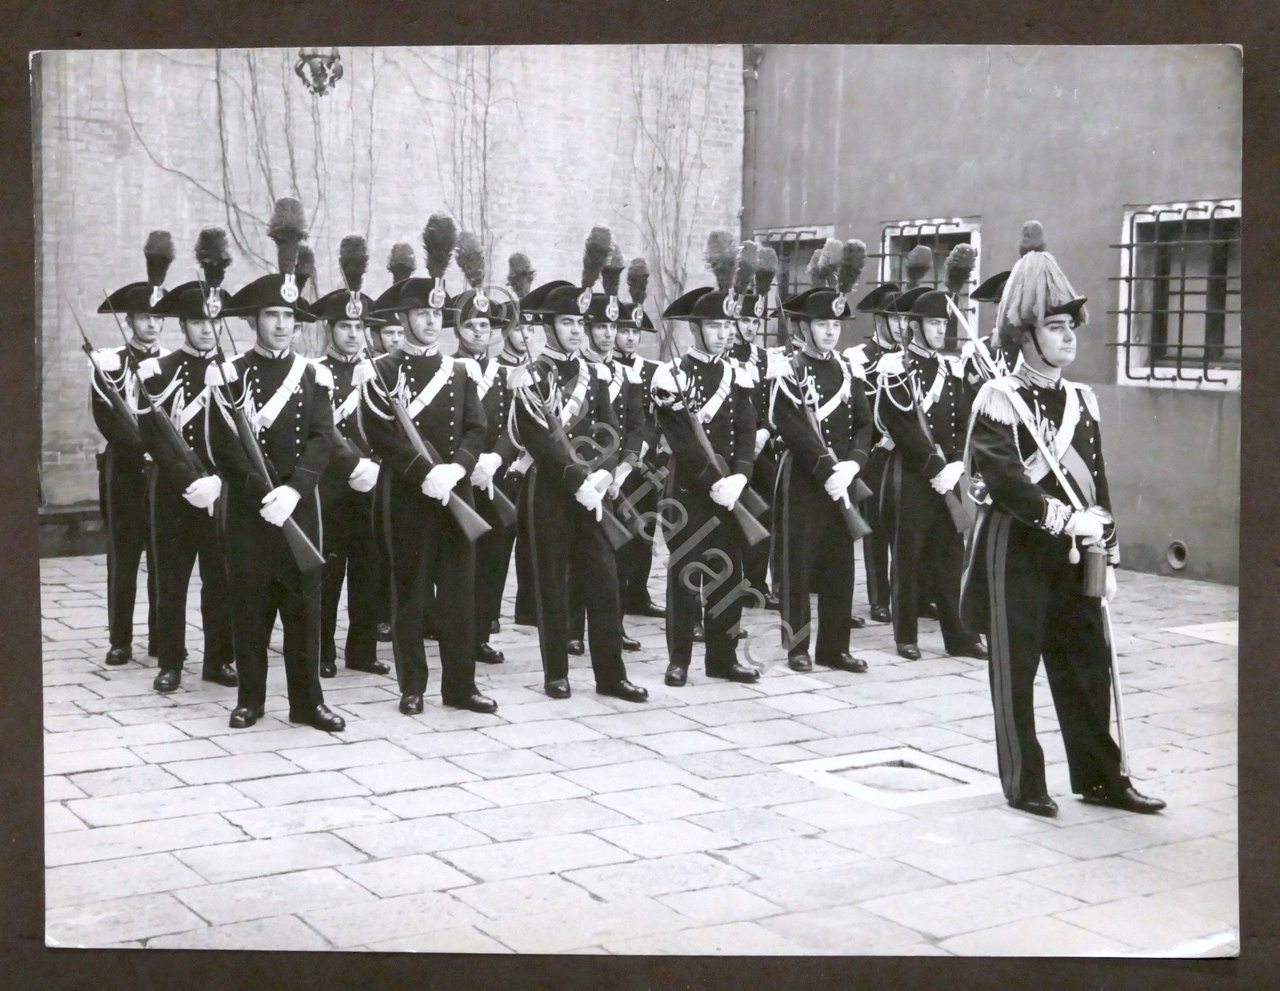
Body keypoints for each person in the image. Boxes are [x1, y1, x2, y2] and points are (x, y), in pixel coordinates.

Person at [962, 221, 1165, 818]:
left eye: (1071, 324)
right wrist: (1060, 519)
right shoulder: (997, 399)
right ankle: (1025, 782)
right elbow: (1004, 482)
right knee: (1017, 668)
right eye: (1055, 326)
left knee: (1086, 665)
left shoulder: (1080, 402)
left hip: (1080, 552)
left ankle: (1101, 777)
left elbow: (1098, 482)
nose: (1069, 336)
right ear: (1026, 338)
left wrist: (1110, 547)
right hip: (1017, 548)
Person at [206, 198, 344, 732]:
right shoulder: (228, 375)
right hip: (248, 512)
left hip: (298, 511)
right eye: (272, 315)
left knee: (305, 613)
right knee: (250, 610)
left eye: (289, 315)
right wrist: (258, 491)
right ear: (255, 321)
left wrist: (295, 489)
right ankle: (251, 700)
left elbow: (322, 439)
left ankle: (307, 704)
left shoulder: (315, 377)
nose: (283, 324)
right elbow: (223, 444)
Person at [361, 213, 498, 717]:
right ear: (403, 319)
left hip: (455, 494)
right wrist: (424, 474)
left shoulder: (459, 371)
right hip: (407, 497)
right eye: (420, 314)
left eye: (436, 314)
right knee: (411, 595)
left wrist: (456, 470)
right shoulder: (381, 372)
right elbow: (377, 434)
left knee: (460, 597)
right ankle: (412, 685)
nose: (429, 322)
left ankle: (461, 687)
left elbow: (477, 428)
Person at [510, 230, 648, 704]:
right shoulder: (533, 375)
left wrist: (606, 474)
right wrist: (577, 480)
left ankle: (611, 675)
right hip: (550, 491)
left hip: (593, 491)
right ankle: (556, 673)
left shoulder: (592, 373)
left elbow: (610, 429)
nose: (574, 330)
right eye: (566, 322)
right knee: (552, 583)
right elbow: (538, 441)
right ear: (548, 326)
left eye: (578, 322)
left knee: (605, 583)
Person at [649, 232, 761, 687]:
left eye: (727, 327)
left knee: (728, 573)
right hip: (689, 489)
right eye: (715, 326)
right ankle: (679, 659)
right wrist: (712, 479)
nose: (723, 333)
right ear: (696, 329)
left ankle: (724, 657)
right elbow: (680, 438)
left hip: (730, 488)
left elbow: (747, 430)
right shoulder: (670, 375)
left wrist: (740, 476)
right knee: (684, 574)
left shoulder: (739, 372)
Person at [135, 231, 238, 694]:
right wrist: (185, 480)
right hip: (173, 489)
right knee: (172, 580)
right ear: (182, 324)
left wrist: (219, 479)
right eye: (196, 322)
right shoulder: (158, 370)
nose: (205, 330)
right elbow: (152, 434)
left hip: (221, 491)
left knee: (220, 580)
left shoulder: (235, 372)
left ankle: (219, 659)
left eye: (212, 323)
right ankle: (171, 661)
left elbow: (244, 434)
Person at [875, 288, 988, 662]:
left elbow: (962, 421)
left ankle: (959, 635)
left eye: (943, 323)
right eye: (933, 323)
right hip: (910, 476)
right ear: (914, 326)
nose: (941, 330)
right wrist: (932, 467)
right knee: (907, 556)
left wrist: (956, 461)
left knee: (950, 556)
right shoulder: (895, 367)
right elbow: (900, 424)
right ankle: (906, 635)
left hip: (948, 474)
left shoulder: (950, 368)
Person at [769, 281, 874, 674]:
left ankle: (835, 647)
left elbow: (864, 423)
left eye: (835, 325)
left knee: (840, 565)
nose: (831, 331)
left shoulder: (847, 368)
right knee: (797, 565)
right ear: (804, 327)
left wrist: (852, 465)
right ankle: (798, 647)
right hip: (804, 479)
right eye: (822, 324)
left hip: (843, 478)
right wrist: (826, 469)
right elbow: (790, 425)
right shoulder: (788, 369)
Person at [311, 235, 391, 681]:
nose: (353, 335)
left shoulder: (379, 371)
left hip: (375, 487)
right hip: (331, 487)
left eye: (359, 328)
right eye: (344, 327)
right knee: (329, 573)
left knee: (370, 572)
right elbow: (322, 431)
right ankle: (322, 648)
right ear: (330, 330)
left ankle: (361, 649)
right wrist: (353, 467)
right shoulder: (315, 373)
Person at [90, 232, 171, 667]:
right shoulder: (109, 363)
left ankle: (161, 639)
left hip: (163, 472)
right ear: (131, 320)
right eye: (143, 318)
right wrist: (139, 444)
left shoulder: (173, 365)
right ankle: (120, 639)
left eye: (158, 318)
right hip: (124, 469)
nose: (152, 325)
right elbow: (106, 417)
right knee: (123, 558)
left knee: (163, 557)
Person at [566, 246, 644, 655]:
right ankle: (572, 629)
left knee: (612, 558)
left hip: (614, 477)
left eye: (612, 329)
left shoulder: (625, 373)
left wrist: (622, 469)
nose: (608, 335)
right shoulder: (575, 372)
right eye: (599, 327)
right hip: (580, 475)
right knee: (578, 556)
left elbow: (634, 426)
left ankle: (612, 626)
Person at [448, 237, 520, 667]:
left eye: (487, 327)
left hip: (497, 479)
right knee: (459, 560)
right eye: (472, 326)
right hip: (460, 479)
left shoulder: (508, 374)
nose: (481, 333)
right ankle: (452, 629)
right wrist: (468, 465)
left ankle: (480, 632)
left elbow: (516, 427)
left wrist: (496, 459)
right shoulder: (447, 368)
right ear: (459, 329)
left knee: (495, 557)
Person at [729, 242, 783, 612]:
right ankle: (730, 581)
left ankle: (756, 582)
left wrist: (767, 431)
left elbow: (777, 402)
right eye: (744, 320)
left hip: (762, 448)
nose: (749, 327)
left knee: (766, 513)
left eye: (754, 321)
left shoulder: (766, 358)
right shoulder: (725, 357)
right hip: (731, 450)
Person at [843, 282, 900, 624]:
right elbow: (859, 413)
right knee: (876, 527)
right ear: (879, 320)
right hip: (876, 453)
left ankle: (910, 594)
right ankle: (879, 597)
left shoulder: (908, 357)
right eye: (893, 318)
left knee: (905, 528)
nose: (900, 325)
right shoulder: (858, 358)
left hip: (905, 453)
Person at [612, 257, 665, 619]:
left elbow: (657, 415)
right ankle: (614, 597)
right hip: (612, 462)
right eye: (623, 331)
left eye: (635, 333)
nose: (630, 338)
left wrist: (645, 443)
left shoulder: (652, 371)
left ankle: (639, 593)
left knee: (645, 529)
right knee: (617, 532)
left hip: (645, 465)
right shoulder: (604, 368)